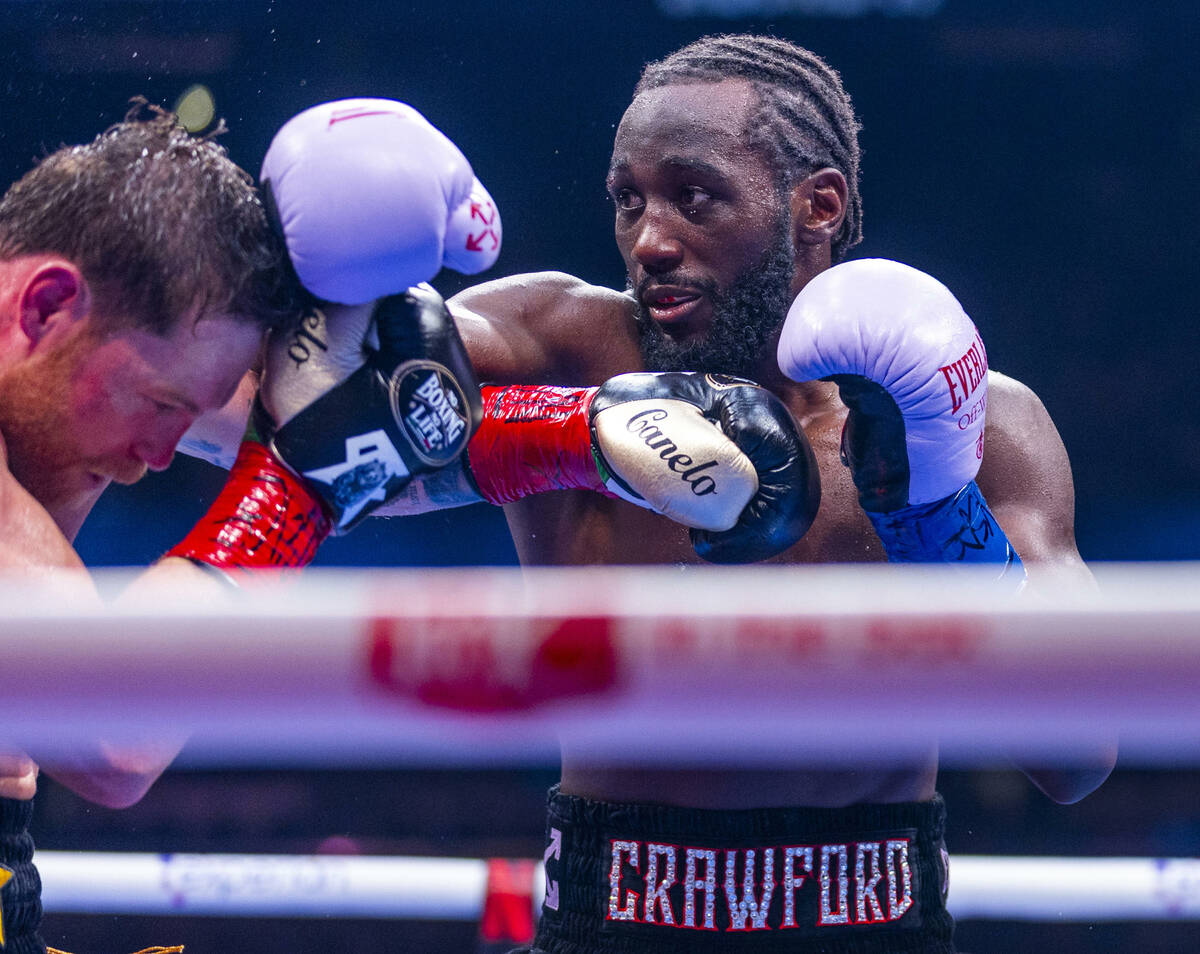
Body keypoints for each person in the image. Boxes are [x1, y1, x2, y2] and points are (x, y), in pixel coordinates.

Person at [188, 38, 1109, 952]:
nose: (650, 242)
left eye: (694, 195)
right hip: (614, 912)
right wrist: (562, 426)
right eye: (627, 201)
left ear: (817, 204)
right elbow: (251, 402)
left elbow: (1078, 760)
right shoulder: (560, 341)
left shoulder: (978, 417)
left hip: (876, 916)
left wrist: (936, 514)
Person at [0, 99, 493, 954]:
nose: (161, 457)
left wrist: (591, 435)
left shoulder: (80, 379)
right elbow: (113, 736)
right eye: (162, 408)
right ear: (46, 307)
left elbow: (402, 444)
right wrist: (291, 487)